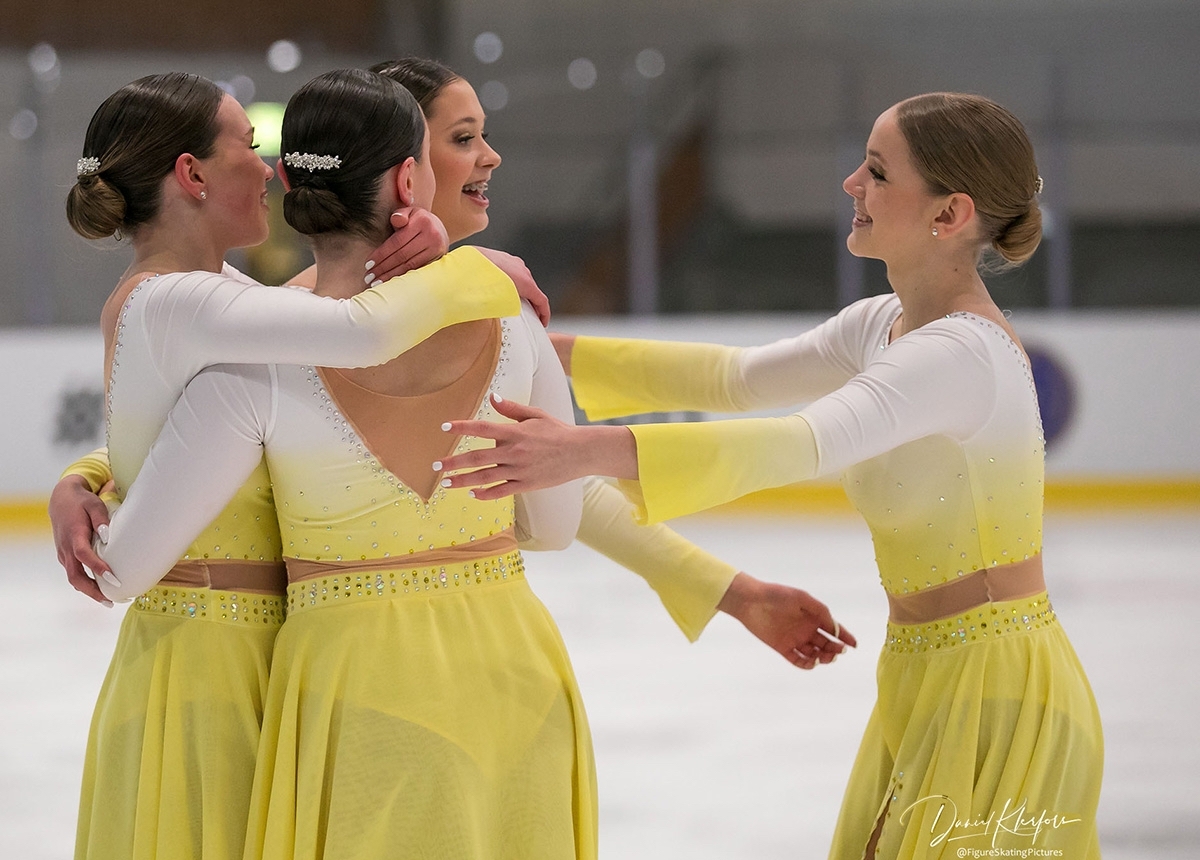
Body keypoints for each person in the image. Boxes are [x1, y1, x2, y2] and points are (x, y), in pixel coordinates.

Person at [434, 92, 1104, 858]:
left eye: (878, 172)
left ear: (948, 214)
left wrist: (583, 448)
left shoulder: (959, 355)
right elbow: (735, 378)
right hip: (925, 676)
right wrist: (526, 346)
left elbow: (799, 442)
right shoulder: (881, 325)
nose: (852, 183)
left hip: (999, 692)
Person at [55, 57, 854, 668]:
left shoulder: (314, 322)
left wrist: (732, 592)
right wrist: (478, 271)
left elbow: (551, 472)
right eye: (462, 139)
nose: (490, 158)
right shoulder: (307, 326)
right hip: (309, 671)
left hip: (326, 676)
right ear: (405, 167)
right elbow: (553, 499)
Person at [92, 67, 589, 859]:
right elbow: (558, 523)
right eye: (248, 144)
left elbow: (134, 529)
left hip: (344, 684)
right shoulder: (512, 325)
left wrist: (88, 481)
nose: (264, 167)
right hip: (513, 671)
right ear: (408, 180)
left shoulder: (251, 360)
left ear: (298, 185)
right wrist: (479, 270)